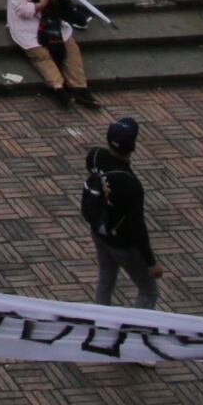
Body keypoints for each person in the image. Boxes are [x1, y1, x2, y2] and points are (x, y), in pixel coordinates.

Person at [81, 114, 158, 306]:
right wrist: (151, 262)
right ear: (132, 147)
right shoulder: (130, 184)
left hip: (99, 230)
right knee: (148, 291)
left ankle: (100, 318)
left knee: (106, 275)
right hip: (122, 243)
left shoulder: (95, 156)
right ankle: (134, 329)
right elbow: (137, 225)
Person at [9, 0, 101, 104]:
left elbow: (65, 10)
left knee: (71, 49)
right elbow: (22, 10)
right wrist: (41, 4)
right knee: (40, 55)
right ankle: (58, 86)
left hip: (52, 23)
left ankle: (79, 87)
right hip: (27, 24)